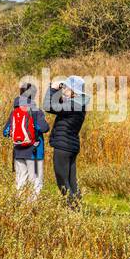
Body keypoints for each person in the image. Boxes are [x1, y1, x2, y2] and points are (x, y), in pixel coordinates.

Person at [46, 75, 88, 206]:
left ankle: (72, 210)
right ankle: (77, 209)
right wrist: (59, 91)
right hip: (70, 146)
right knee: (71, 181)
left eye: (66, 88)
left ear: (73, 91)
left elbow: (48, 106)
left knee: (62, 181)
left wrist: (52, 89)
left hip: (63, 147)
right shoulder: (79, 104)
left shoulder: (73, 105)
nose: (64, 90)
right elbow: (58, 105)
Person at [3, 81, 49, 200]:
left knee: (20, 180)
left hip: (18, 151)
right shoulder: (36, 111)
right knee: (36, 182)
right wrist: (34, 127)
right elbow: (45, 128)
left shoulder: (15, 112)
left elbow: (6, 132)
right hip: (35, 152)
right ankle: (33, 209)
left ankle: (19, 206)